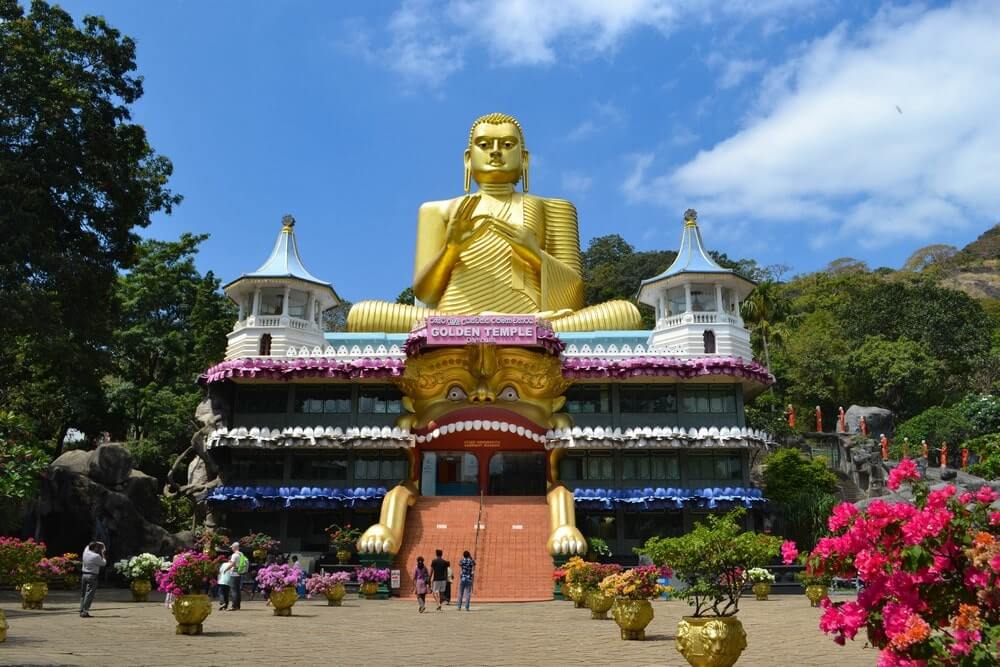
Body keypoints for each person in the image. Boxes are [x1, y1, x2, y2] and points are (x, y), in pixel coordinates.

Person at [346, 112, 642, 333]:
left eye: (507, 144)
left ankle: (503, 327)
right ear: (468, 159)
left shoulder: (554, 208)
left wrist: (534, 255)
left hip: (534, 321)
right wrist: (451, 248)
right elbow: (425, 293)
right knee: (361, 314)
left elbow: (574, 297)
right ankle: (487, 327)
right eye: (485, 144)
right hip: (454, 320)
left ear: (524, 159)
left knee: (625, 313)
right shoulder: (437, 210)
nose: (496, 151)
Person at [79, 541, 106, 618]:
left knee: (83, 593)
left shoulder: (85, 552)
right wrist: (103, 552)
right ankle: (85, 611)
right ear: (95, 548)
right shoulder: (96, 556)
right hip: (92, 575)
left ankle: (81, 609)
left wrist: (96, 542)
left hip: (84, 574)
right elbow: (104, 563)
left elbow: (88, 546)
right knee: (89, 594)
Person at [222, 541, 248, 611]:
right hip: (239, 573)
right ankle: (238, 606)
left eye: (232, 547)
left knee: (233, 590)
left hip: (234, 574)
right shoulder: (241, 554)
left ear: (235, 547)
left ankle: (234, 606)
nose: (232, 549)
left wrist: (226, 569)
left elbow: (232, 564)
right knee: (237, 590)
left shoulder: (234, 555)